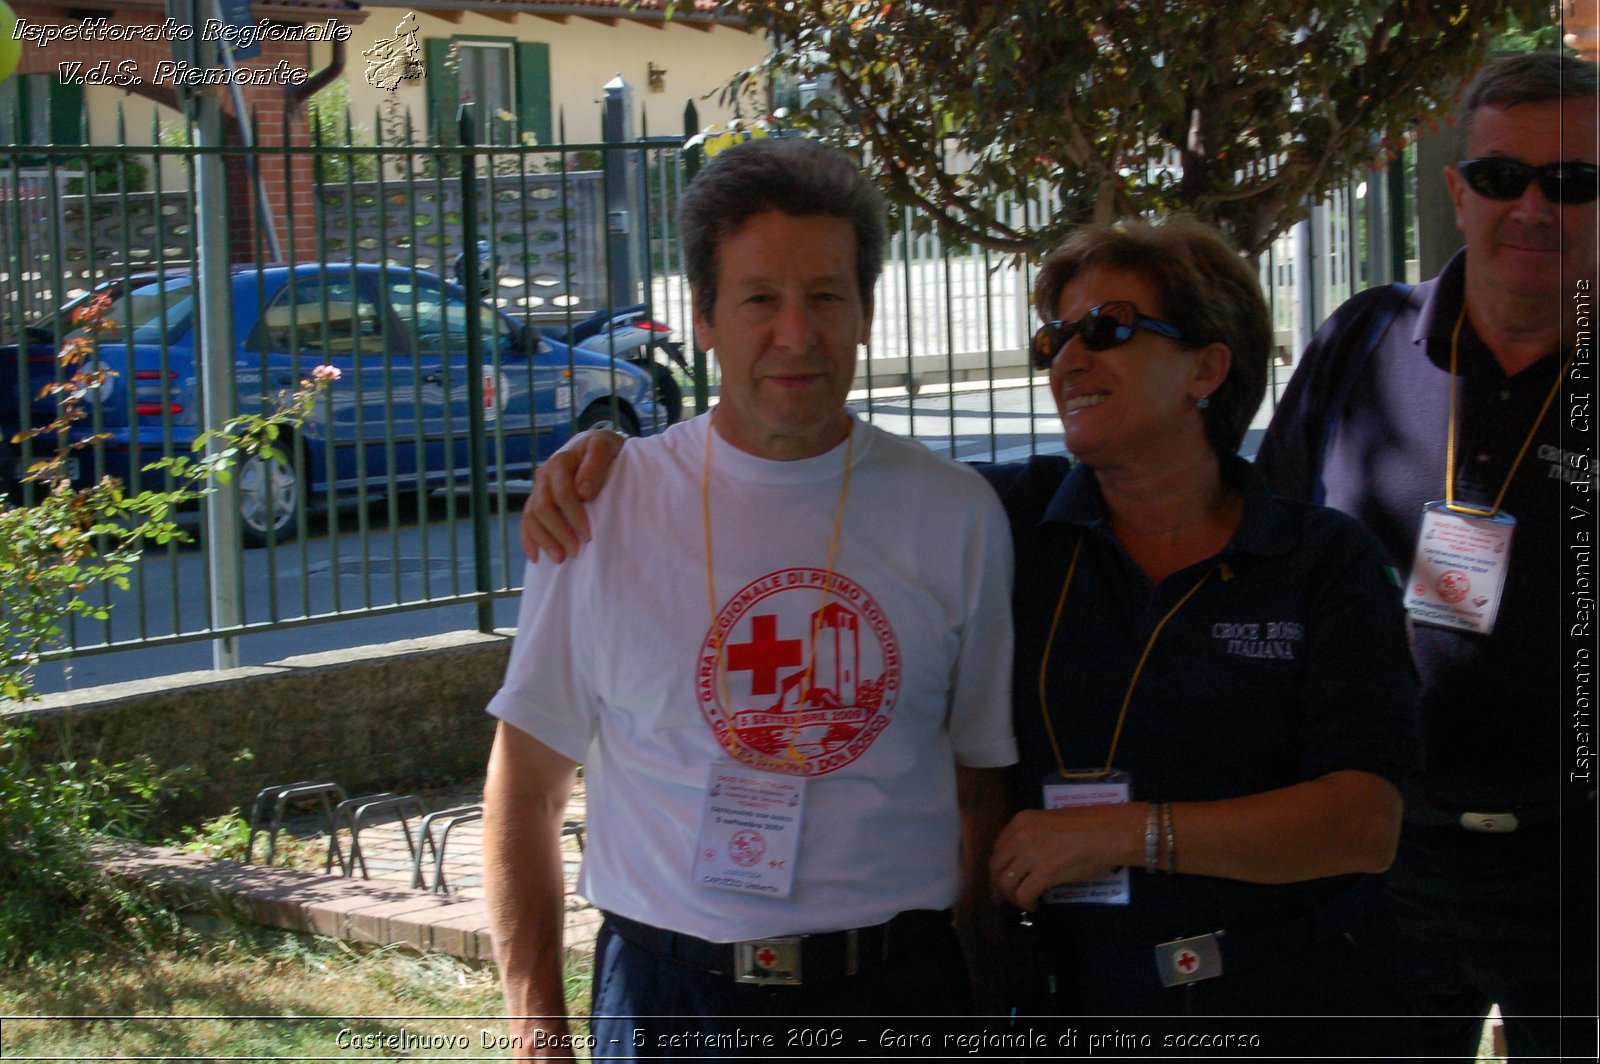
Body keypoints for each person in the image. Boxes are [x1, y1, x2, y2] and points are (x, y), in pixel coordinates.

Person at [522, 215, 1423, 1053]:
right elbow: (807, 471)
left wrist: (1123, 834)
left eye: (1106, 329)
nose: (1068, 358)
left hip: (1295, 994)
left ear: (1207, 367)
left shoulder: (1320, 561)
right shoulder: (1011, 520)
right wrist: (608, 460)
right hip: (1089, 996)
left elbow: (1362, 824)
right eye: (1054, 337)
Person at [483, 136, 1017, 1060]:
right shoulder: (597, 510)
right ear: (703, 318)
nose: (796, 334)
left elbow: (982, 789)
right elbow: (524, 790)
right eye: (760, 298)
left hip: (893, 994)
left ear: (866, 311)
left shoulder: (958, 516)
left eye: (825, 296)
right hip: (668, 1003)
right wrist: (538, 1034)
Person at [1255, 51, 1599, 1061]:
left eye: (1573, 181)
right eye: (1500, 177)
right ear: (1456, 189)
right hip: (1381, 851)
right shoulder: (1366, 340)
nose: (1531, 207)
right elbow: (1270, 552)